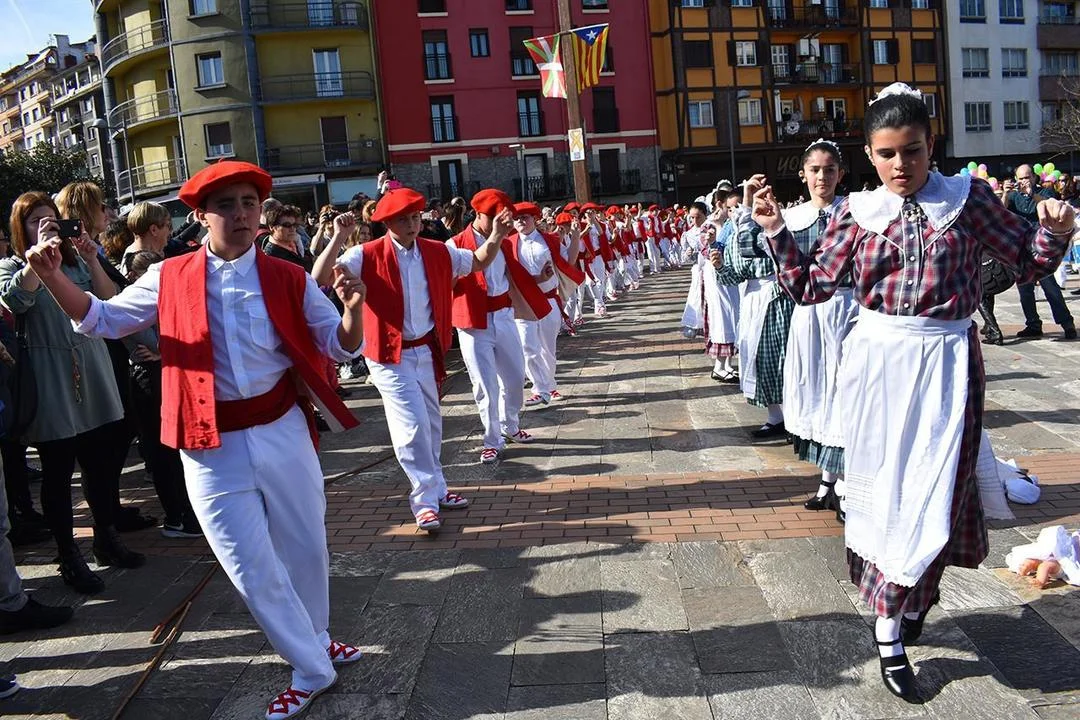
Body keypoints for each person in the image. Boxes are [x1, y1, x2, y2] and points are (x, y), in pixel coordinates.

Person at [751, 82, 1074, 702]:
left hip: (950, 362)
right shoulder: (855, 213)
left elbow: (1027, 261)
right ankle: (888, 626)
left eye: (914, 150)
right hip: (879, 366)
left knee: (941, 488)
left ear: (932, 145)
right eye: (887, 153)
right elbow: (812, 288)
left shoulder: (968, 199)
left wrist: (1053, 233)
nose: (901, 164)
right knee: (888, 495)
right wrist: (774, 230)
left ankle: (916, 596)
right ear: (869, 154)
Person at [26, 160, 368, 720]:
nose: (240, 214)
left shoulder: (289, 276)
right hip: (207, 443)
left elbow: (339, 345)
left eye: (249, 203)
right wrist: (51, 276)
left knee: (306, 547)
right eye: (226, 205)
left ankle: (316, 639)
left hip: (282, 428)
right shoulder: (169, 275)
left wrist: (354, 311)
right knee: (247, 564)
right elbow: (103, 318)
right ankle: (310, 666)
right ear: (201, 215)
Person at [336, 187, 512, 531]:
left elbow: (477, 261)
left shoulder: (437, 250)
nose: (413, 224)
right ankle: (424, 501)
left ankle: (438, 488)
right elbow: (321, 275)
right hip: (388, 355)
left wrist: (496, 235)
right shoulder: (365, 253)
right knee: (412, 427)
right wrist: (338, 237)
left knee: (431, 424)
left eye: (416, 217)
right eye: (404, 219)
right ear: (388, 222)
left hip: (426, 351)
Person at [0, 192, 143, 595]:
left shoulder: (75, 260)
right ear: (20, 229)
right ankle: (68, 554)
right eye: (35, 221)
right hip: (49, 374)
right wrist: (37, 259)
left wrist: (93, 258)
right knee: (58, 469)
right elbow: (14, 303)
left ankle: (106, 536)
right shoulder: (12, 265)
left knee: (101, 462)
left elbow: (110, 300)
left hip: (91, 366)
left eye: (51, 219)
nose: (46, 227)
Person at [747, 140, 856, 520]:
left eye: (829, 169)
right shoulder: (791, 217)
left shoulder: (854, 211)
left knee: (845, 398)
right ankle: (828, 481)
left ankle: (846, 485)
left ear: (841, 174)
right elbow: (748, 250)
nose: (822, 177)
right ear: (803, 174)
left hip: (849, 313)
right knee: (818, 397)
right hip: (809, 316)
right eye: (815, 170)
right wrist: (749, 205)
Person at [447, 190, 550, 463]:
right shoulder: (455, 244)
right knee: (485, 386)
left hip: (504, 316)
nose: (501, 223)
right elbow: (445, 284)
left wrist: (540, 279)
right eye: (494, 217)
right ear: (478, 214)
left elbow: (519, 274)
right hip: (472, 322)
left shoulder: (506, 241)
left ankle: (510, 424)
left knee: (515, 378)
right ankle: (492, 439)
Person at [718, 175, 793, 440]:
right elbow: (734, 275)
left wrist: (750, 202)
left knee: (780, 358)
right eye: (732, 209)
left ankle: (792, 418)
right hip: (752, 299)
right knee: (756, 358)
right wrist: (719, 266)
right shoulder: (733, 236)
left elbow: (761, 251)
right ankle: (775, 417)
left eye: (740, 206)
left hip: (777, 296)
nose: (737, 212)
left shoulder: (776, 228)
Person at [511, 201, 584, 407]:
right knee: (527, 346)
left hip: (549, 300)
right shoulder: (508, 243)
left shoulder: (550, 240)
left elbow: (569, 261)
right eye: (517, 218)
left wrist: (576, 236)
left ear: (534, 219)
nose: (520, 221)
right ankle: (539, 389)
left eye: (525, 217)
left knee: (547, 349)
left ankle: (549, 385)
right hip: (524, 302)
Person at [1005, 164, 1076, 340]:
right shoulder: (1013, 196)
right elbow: (1001, 211)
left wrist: (1031, 194)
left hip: (1042, 249)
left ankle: (1067, 323)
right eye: (1021, 178)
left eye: (1027, 177)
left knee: (1051, 288)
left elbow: (1049, 206)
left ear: (1034, 177)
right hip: (1022, 249)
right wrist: (1006, 193)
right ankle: (1033, 324)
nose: (1024, 181)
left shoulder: (1045, 192)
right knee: (1025, 290)